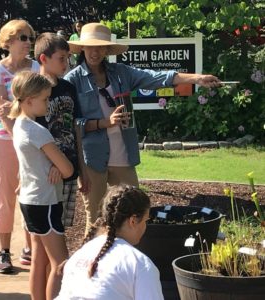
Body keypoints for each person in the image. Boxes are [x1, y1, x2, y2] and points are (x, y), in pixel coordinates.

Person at [64, 22, 221, 233]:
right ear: (82, 48)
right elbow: (71, 125)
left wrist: (197, 78)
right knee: (96, 218)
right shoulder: (72, 81)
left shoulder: (121, 73)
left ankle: (129, 261)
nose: (95, 51)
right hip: (93, 158)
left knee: (134, 210)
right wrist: (104, 123)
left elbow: (157, 77)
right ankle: (92, 263)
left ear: (107, 49)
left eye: (100, 46)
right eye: (90, 46)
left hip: (123, 154)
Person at [9, 71, 73, 300]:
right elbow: (67, 169)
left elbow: (44, 161)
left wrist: (53, 164)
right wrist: (58, 164)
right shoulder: (38, 131)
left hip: (29, 200)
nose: (48, 104)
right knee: (61, 264)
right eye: (45, 99)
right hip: (45, 201)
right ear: (28, 101)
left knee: (39, 258)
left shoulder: (19, 125)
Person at [0, 19, 39, 273]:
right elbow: (1, 108)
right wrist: (19, 137)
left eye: (30, 38)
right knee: (5, 196)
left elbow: (40, 103)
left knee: (30, 192)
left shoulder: (36, 67)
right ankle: (4, 251)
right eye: (23, 38)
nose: (28, 43)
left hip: (32, 139)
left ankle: (30, 248)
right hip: (3, 139)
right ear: (8, 41)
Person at [55, 185, 164, 300]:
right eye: (146, 220)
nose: (145, 226)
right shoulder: (140, 265)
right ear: (133, 221)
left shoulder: (78, 255)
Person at [34, 32, 88, 229]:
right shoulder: (33, 91)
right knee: (46, 230)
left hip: (70, 169)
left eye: (68, 58)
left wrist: (82, 169)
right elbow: (31, 134)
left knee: (62, 228)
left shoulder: (68, 88)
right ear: (43, 58)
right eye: (61, 58)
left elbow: (76, 129)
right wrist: (52, 164)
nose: (66, 63)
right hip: (47, 173)